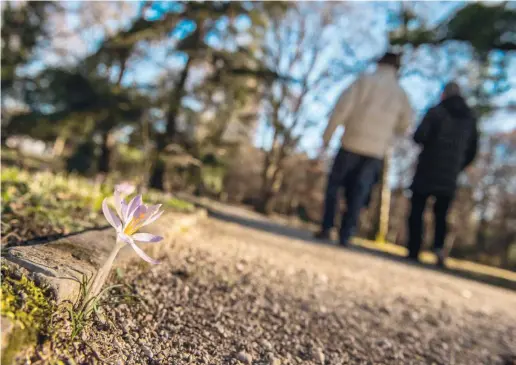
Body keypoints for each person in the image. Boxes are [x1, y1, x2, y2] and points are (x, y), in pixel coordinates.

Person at [315, 51, 413, 246]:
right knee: (359, 192)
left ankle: (327, 227)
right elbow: (406, 124)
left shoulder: (364, 81)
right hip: (376, 151)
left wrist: (327, 136)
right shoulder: (401, 94)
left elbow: (342, 108)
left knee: (335, 187)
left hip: (351, 142)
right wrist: (388, 138)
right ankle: (346, 233)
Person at [407, 82, 478, 265]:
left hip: (427, 168)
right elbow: (473, 151)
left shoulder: (436, 111)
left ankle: (414, 249)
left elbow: (419, 136)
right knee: (441, 214)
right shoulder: (469, 119)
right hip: (450, 174)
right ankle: (439, 249)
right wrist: (458, 166)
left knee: (418, 208)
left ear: (444, 95)